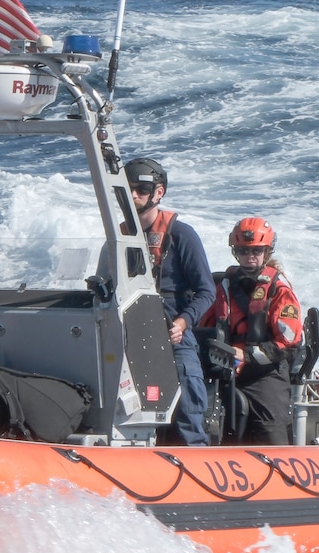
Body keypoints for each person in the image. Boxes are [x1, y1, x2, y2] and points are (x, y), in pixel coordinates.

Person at [124, 157, 216, 445]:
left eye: (141, 189)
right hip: (128, 335)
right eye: (129, 190)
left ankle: (195, 454)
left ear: (158, 193)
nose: (135, 195)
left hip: (173, 336)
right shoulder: (120, 236)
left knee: (188, 398)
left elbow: (206, 291)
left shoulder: (182, 235)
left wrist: (183, 321)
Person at [199, 218, 304, 445]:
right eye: (244, 251)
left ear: (267, 251)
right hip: (223, 369)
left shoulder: (279, 290)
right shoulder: (223, 285)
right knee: (206, 420)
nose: (250, 256)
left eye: (257, 251)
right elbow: (204, 326)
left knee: (270, 430)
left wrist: (244, 355)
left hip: (265, 373)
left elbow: (288, 343)